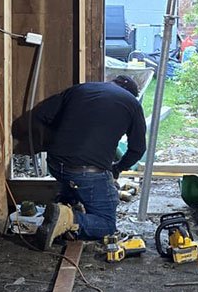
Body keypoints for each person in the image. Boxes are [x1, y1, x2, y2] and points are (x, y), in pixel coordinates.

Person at [31, 76, 147, 248]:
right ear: (131, 93)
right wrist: (117, 169)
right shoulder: (132, 103)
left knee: (73, 183)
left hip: (56, 164)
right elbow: (138, 149)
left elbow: (41, 114)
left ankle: (64, 206)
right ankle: (68, 218)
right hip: (87, 172)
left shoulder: (80, 89)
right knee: (106, 224)